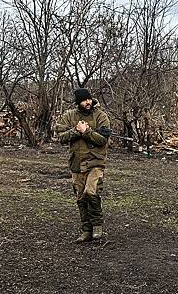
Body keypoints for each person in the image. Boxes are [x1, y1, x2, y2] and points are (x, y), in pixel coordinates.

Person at [55, 88, 110, 243]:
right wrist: (76, 131)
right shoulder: (70, 116)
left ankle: (97, 226)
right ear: (78, 102)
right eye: (84, 100)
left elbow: (102, 140)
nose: (88, 102)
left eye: (89, 99)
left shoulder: (101, 116)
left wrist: (86, 132)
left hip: (95, 162)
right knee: (80, 197)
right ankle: (86, 229)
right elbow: (61, 137)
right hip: (77, 163)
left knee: (91, 192)